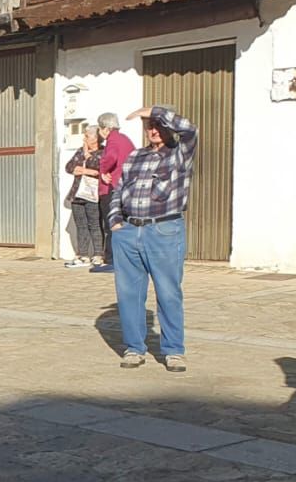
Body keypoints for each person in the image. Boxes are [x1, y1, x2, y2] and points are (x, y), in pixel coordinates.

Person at [107, 105, 199, 373]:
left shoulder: (179, 153)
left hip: (164, 231)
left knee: (168, 293)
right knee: (129, 294)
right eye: (149, 125)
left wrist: (155, 111)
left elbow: (190, 130)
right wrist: (115, 220)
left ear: (169, 127)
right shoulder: (136, 156)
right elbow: (119, 189)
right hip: (128, 231)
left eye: (159, 125)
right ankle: (134, 348)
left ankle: (173, 350)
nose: (154, 130)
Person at [93, 112, 136, 274]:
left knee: (111, 224)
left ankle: (112, 260)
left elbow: (109, 158)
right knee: (123, 224)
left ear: (105, 128)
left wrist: (103, 170)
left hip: (112, 187)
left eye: (100, 129)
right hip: (127, 188)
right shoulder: (125, 140)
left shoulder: (113, 141)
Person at [64, 125, 104, 269]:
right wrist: (88, 171)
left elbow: (98, 167)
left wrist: (83, 166)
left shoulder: (103, 151)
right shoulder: (80, 151)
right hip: (77, 194)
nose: (84, 138)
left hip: (93, 194)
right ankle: (83, 254)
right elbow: (69, 167)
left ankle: (98, 254)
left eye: (87, 136)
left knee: (95, 224)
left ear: (95, 138)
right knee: (80, 225)